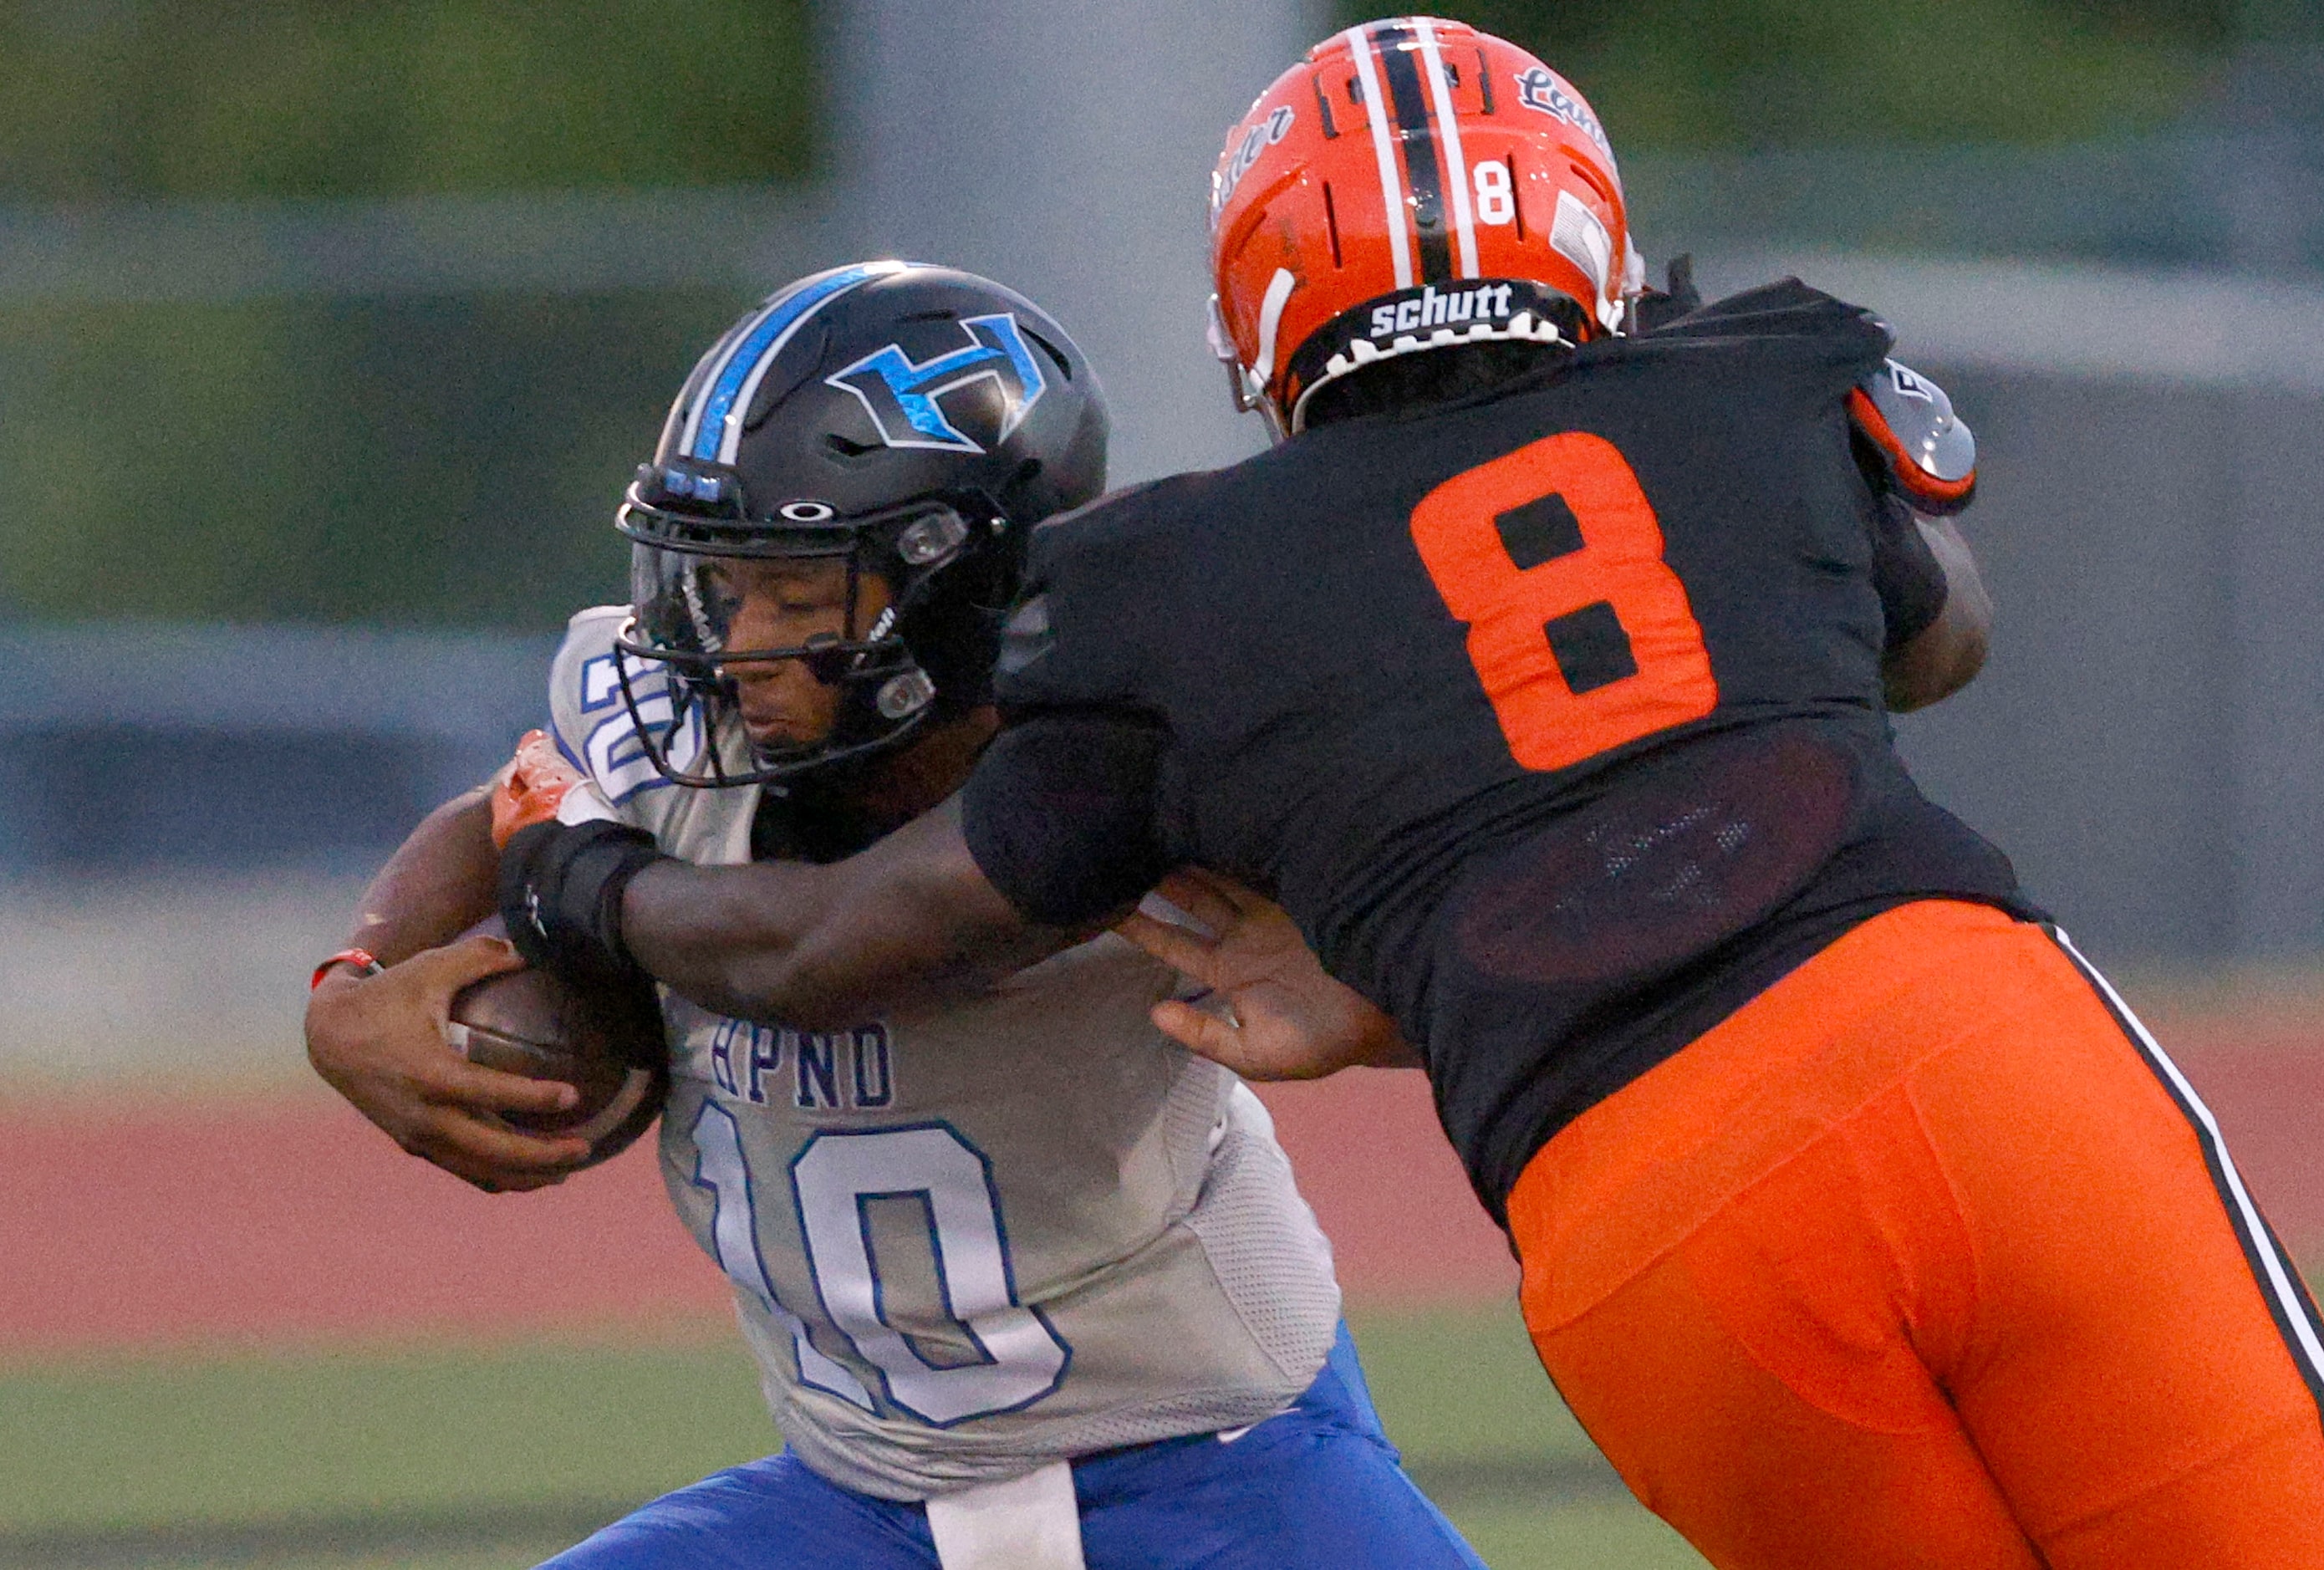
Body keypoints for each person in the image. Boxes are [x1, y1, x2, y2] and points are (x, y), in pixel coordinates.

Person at [490, 20, 2324, 1570]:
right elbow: (1935, 637)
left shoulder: (1168, 587)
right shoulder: (1753, 372)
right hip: (1958, 1048)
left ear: (1258, 309)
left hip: (1636, 1200)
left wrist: (569, 875)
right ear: (1584, 239)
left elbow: (837, 940)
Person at [303, 262, 1486, 1570]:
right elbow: (505, 812)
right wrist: (350, 982)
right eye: (717, 580)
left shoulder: (1150, 762)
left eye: (799, 593)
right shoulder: (674, 715)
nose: (735, 643)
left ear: (952, 591)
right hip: (855, 1502)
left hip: (1217, 1461)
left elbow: (806, 944)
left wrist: (1375, 996)